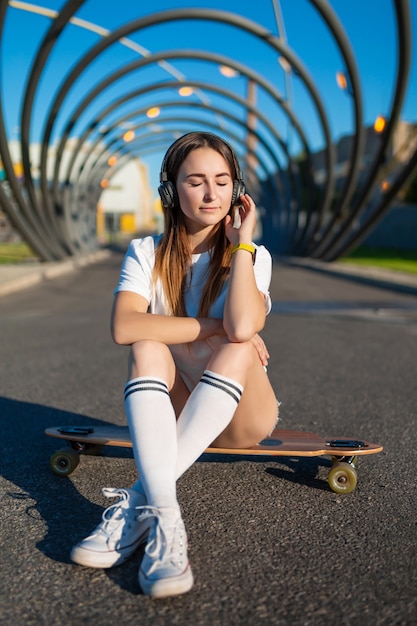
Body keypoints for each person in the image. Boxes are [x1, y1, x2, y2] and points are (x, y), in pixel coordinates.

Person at [70, 131, 279, 599]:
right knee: (144, 348)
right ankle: (165, 519)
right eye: (196, 181)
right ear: (171, 190)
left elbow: (242, 326)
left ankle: (134, 509)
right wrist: (210, 324)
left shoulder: (252, 257)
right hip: (186, 407)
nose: (211, 194)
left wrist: (242, 243)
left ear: (237, 191)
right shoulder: (146, 252)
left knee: (238, 347)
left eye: (223, 182)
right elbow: (125, 327)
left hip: (243, 415)